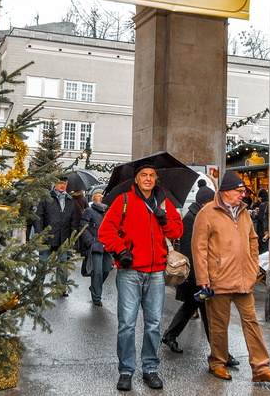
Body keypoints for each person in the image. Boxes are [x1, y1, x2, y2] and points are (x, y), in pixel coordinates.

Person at [98, 160, 183, 391]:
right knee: (126, 324)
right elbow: (105, 231)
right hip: (130, 272)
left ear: (156, 179)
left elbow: (177, 231)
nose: (148, 178)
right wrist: (121, 250)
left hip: (156, 273)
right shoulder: (123, 200)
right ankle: (126, 370)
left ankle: (150, 368)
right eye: (143, 175)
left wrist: (164, 219)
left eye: (152, 175)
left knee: (153, 324)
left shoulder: (164, 203)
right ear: (136, 179)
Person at [192, 171, 270, 384]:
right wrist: (203, 277)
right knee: (219, 325)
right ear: (225, 192)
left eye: (244, 191)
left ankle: (261, 368)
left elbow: (253, 240)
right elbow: (199, 248)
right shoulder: (207, 213)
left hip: (244, 280)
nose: (243, 195)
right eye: (239, 191)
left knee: (252, 323)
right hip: (218, 280)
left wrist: (253, 268)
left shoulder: (244, 212)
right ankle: (217, 363)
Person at [161, 181, 240, 367]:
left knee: (191, 307)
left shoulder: (204, 216)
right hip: (198, 278)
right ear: (204, 202)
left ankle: (169, 335)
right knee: (210, 316)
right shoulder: (191, 218)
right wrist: (200, 278)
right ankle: (222, 354)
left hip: (204, 276)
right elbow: (190, 250)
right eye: (212, 201)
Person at [35, 175, 80, 296]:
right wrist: (40, 234)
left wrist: (72, 238)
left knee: (63, 264)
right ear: (54, 183)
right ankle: (37, 288)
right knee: (43, 264)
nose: (62, 185)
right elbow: (39, 217)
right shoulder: (46, 198)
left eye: (65, 183)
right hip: (47, 238)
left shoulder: (70, 200)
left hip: (63, 238)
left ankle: (61, 289)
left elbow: (73, 221)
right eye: (60, 183)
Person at [80, 189, 113, 306]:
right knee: (97, 271)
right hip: (95, 245)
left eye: (103, 196)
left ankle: (94, 287)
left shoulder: (109, 211)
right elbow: (83, 228)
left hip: (108, 245)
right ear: (94, 198)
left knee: (107, 268)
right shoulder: (89, 211)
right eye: (99, 196)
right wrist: (91, 242)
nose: (101, 198)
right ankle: (96, 297)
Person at [251, 188, 270, 254]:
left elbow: (260, 217)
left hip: (262, 229)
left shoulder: (262, 205)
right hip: (268, 229)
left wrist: (254, 213)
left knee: (262, 247)